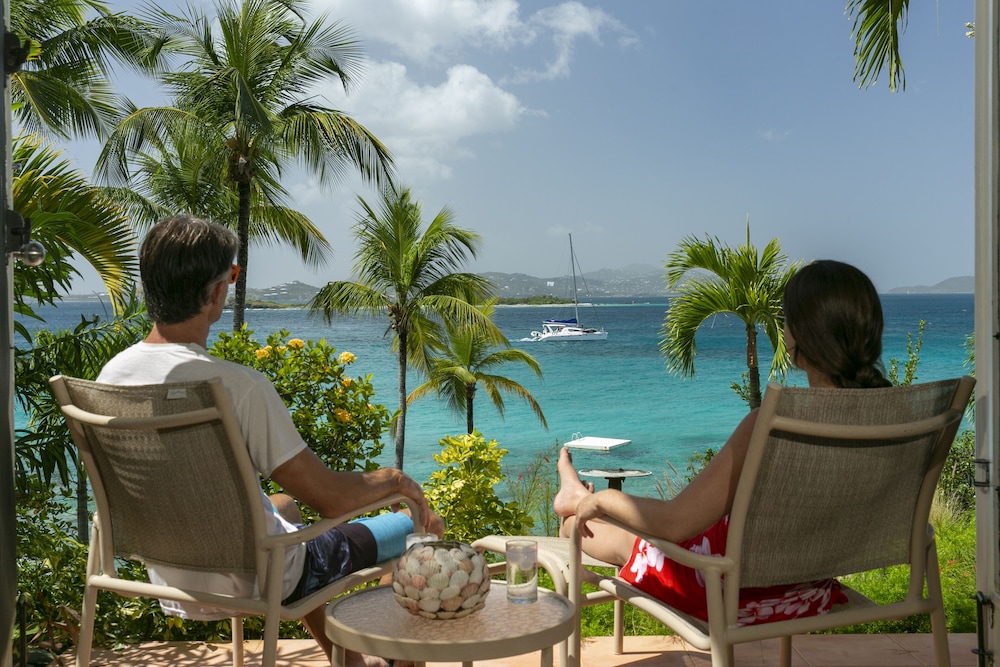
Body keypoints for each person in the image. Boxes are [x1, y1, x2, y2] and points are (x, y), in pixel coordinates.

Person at [98, 214, 444, 667]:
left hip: (172, 576)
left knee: (283, 506)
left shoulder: (112, 376)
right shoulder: (237, 386)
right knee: (420, 525)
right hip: (260, 577)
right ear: (219, 289)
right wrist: (396, 481)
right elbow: (332, 499)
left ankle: (350, 663)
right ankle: (393, 658)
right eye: (231, 276)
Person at [554, 259, 891, 626]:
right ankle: (576, 497)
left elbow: (674, 523)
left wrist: (602, 499)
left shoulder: (773, 424)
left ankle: (576, 500)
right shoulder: (891, 420)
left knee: (580, 528)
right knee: (645, 529)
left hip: (725, 589)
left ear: (800, 334)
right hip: (806, 590)